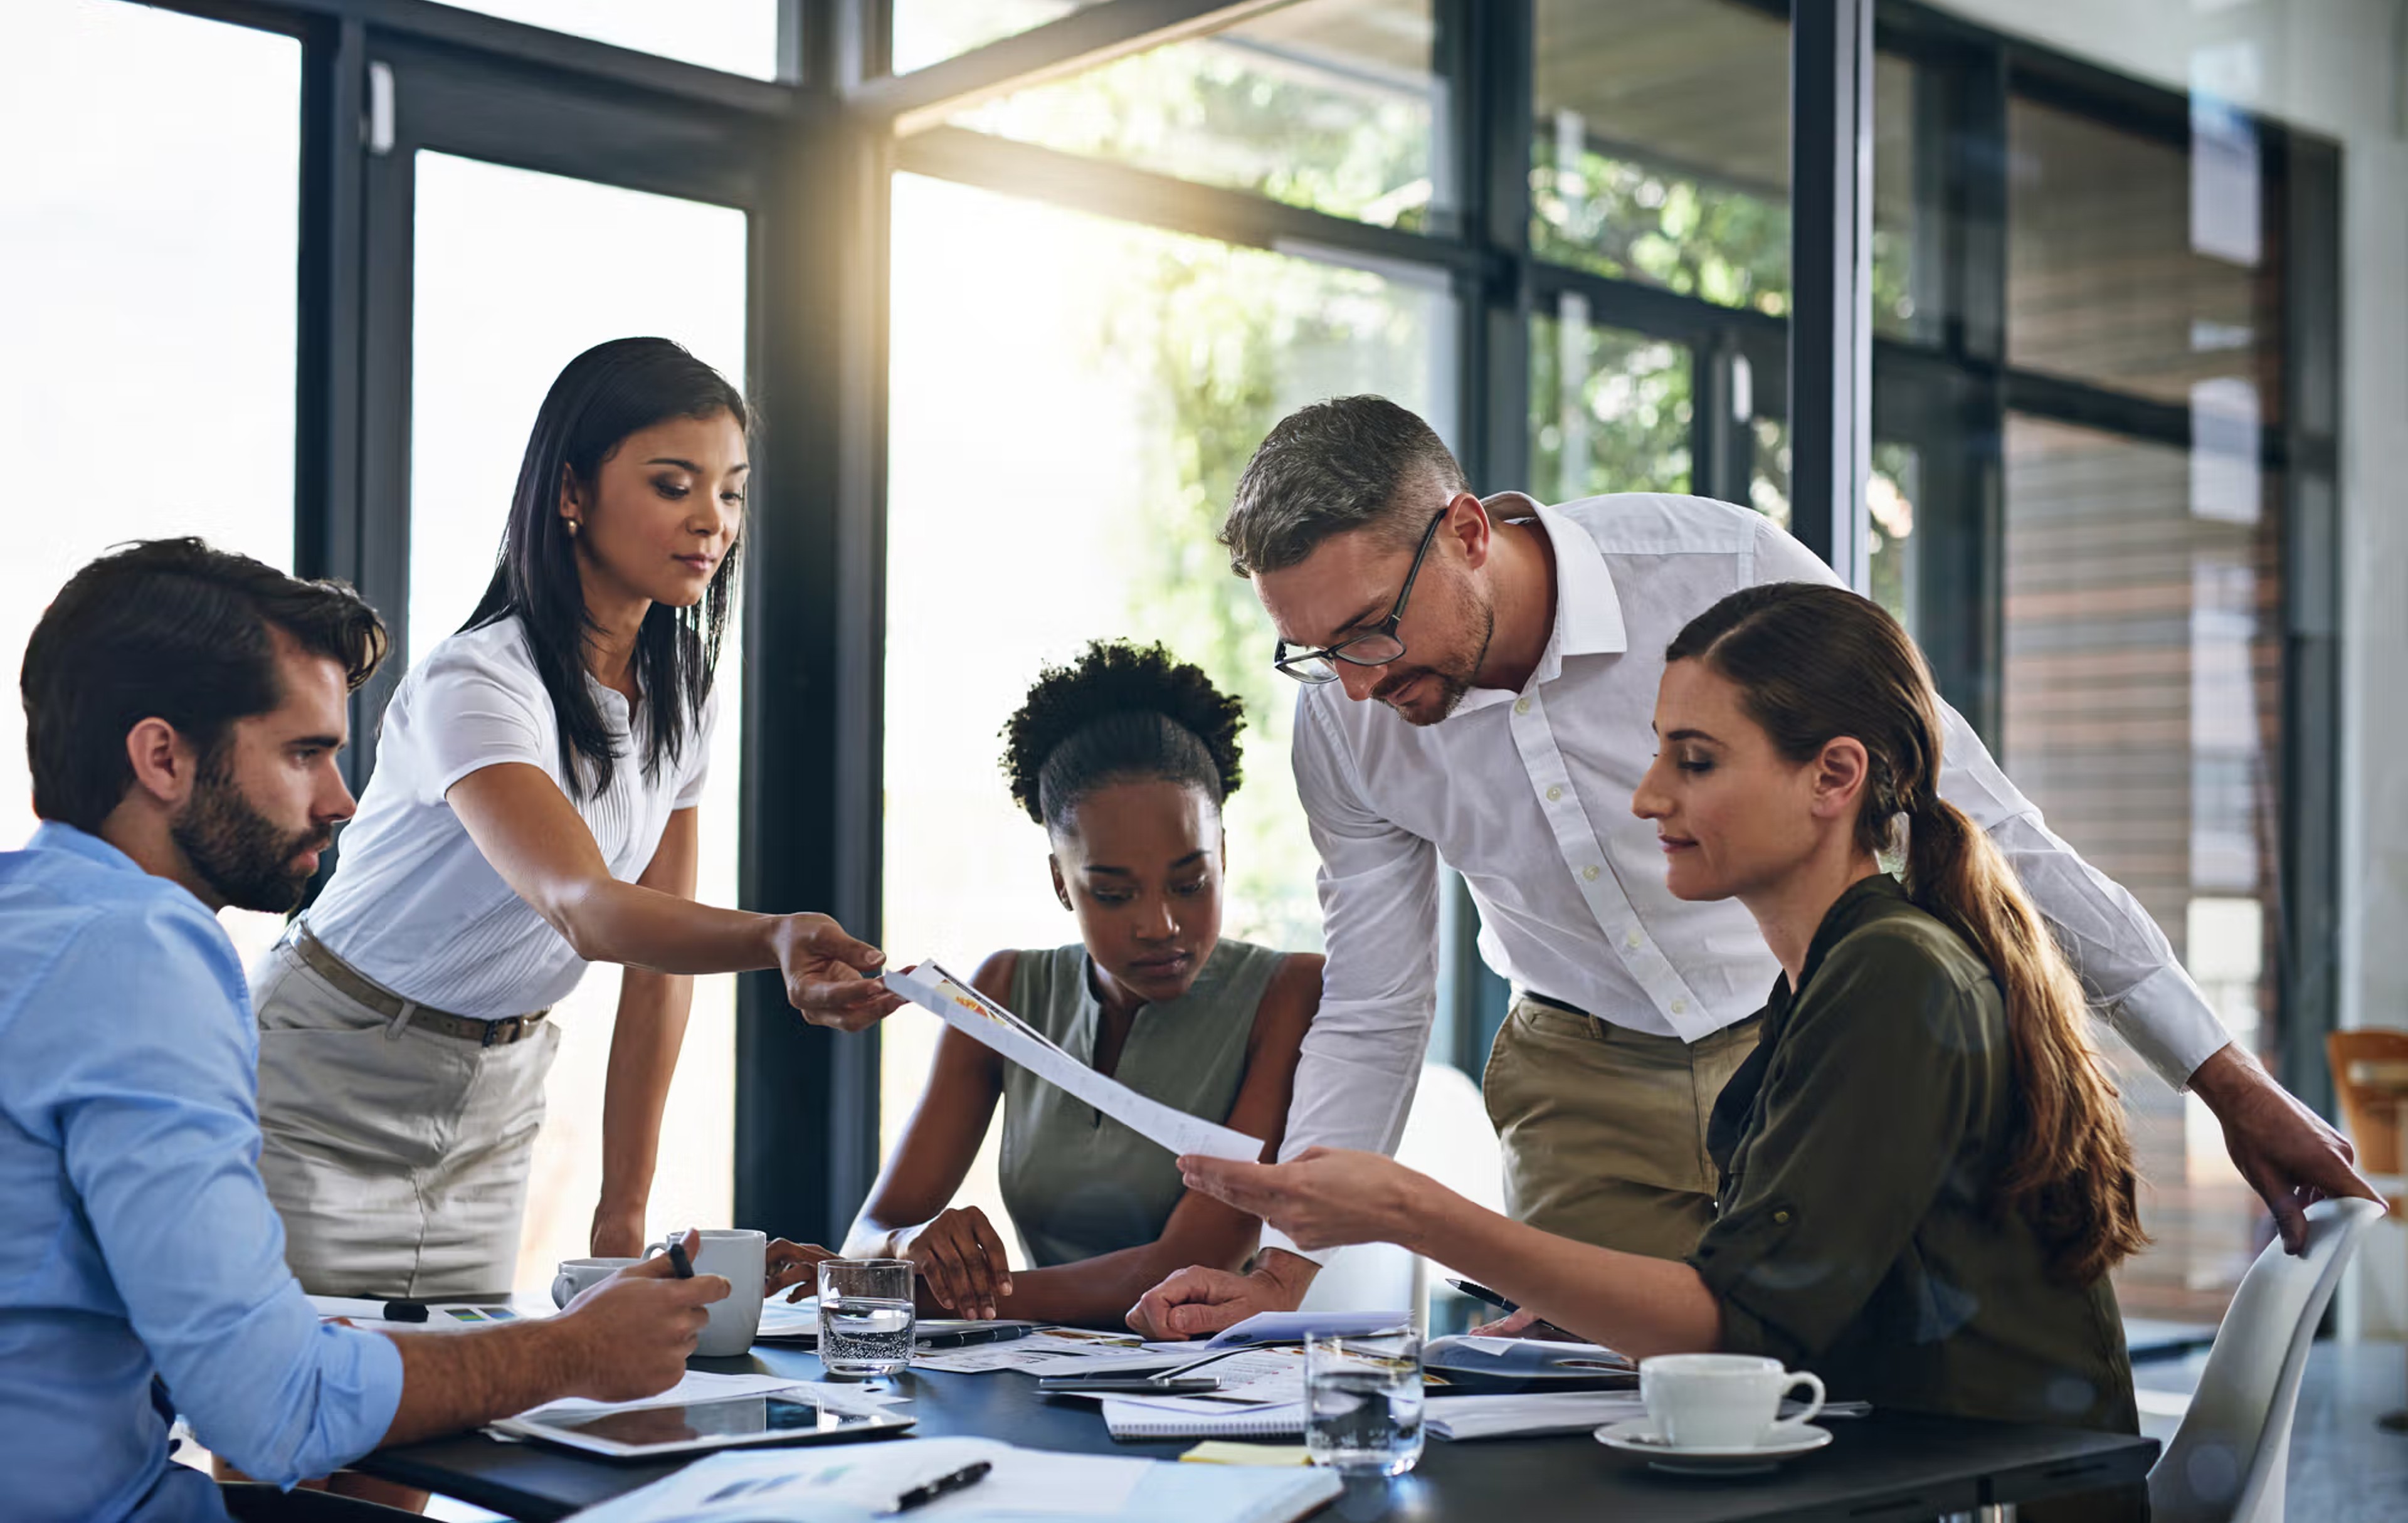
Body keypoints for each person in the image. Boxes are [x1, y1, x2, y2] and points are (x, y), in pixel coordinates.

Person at [1130, 394, 2371, 1339]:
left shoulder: (1719, 575)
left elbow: (1986, 826)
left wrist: (2225, 1080)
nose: (1353, 680)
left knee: (1824, 1414)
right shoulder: (1346, 722)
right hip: (1579, 1081)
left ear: (1465, 532)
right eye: (1313, 651)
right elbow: (1379, 994)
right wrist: (1283, 1272)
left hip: (1803, 1050)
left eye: (1369, 631)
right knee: (1613, 1452)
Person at [1173, 582, 2147, 1480]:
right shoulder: (1836, 972)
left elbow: (1742, 1332)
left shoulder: (1891, 976)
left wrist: (1414, 1212)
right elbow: (1791, 1292)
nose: (1648, 797)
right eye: (1657, 751)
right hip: (1909, 1468)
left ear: (1833, 776)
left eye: (1696, 760)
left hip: (1979, 1491)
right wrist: (1582, 1306)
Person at [2, 539, 731, 1523]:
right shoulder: (149, 955)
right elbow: (271, 1411)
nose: (343, 800)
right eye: (306, 753)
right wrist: (577, 1351)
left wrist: (288, 1325)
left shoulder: (31, 921)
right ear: (162, 756)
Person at [252, 338, 896, 1302]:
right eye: (674, 485)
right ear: (571, 493)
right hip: (325, 1073)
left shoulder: (680, 693)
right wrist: (775, 935)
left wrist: (622, 1207)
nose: (711, 522)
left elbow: (655, 957)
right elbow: (588, 908)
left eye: (731, 491)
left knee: (451, 1417)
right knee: (287, 1421)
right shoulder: (477, 682)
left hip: (497, 1093)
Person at [783, 643, 1319, 1327]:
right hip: (1043, 1379)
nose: (1160, 925)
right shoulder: (1004, 990)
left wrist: (903, 1291)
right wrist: (908, 1245)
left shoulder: (1290, 994)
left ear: (1225, 857)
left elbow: (1185, 1268)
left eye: (1190, 883)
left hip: (1229, 1391)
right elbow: (872, 1232)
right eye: (1114, 892)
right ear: (1062, 882)